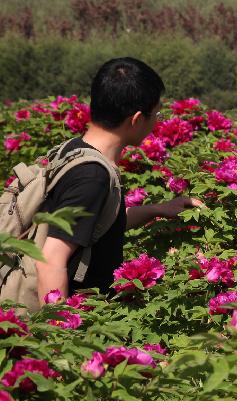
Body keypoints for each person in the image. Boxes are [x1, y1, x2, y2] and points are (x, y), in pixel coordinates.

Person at [35, 57, 202, 303]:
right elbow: (51, 260)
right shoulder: (92, 176)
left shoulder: (73, 149)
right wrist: (60, 334)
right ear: (136, 119)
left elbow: (95, 226)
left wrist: (158, 209)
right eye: (156, 113)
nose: (157, 121)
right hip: (78, 326)